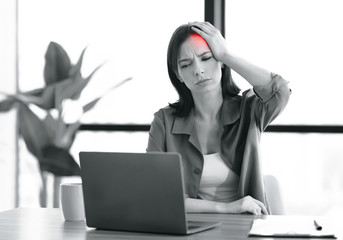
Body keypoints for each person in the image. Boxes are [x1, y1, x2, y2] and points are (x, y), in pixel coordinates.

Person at [146, 21, 291, 215]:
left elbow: (280, 91)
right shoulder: (164, 121)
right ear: (179, 75)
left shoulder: (249, 109)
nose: (198, 70)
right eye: (186, 64)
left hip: (247, 228)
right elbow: (155, 193)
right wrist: (225, 208)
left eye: (206, 58)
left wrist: (225, 54)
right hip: (191, 230)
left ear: (221, 62)